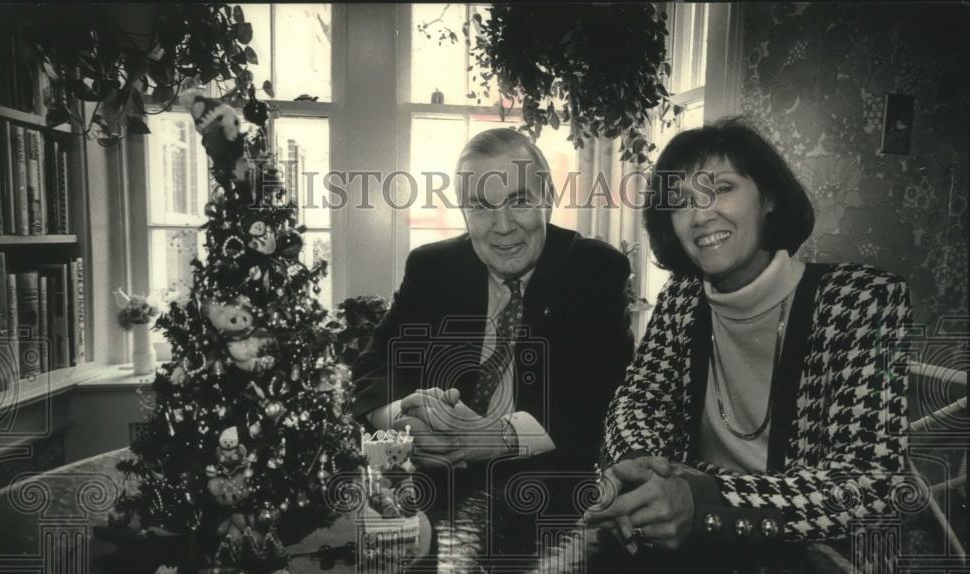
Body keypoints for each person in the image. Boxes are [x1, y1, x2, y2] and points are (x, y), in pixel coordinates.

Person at [585, 118, 913, 551]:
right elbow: (639, 400)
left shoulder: (863, 301)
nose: (702, 214)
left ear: (769, 198)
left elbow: (867, 484)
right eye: (681, 201)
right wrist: (638, 465)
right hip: (692, 557)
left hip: (826, 569)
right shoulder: (682, 298)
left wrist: (704, 496)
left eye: (722, 188)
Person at [351, 128, 633, 472]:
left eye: (519, 201)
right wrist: (401, 419)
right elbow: (375, 362)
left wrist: (502, 437)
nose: (502, 226)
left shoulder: (595, 270)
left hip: (548, 488)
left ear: (548, 199)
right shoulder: (432, 267)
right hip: (436, 482)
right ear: (464, 212)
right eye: (482, 207)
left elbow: (607, 393)